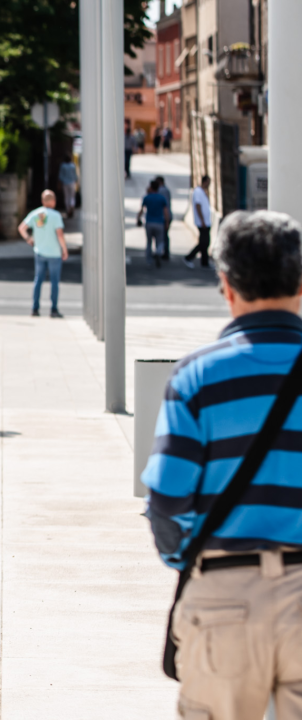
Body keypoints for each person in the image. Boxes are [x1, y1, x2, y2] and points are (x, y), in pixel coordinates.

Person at [142, 211, 302, 720]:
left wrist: (197, 562)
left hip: (225, 596)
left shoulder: (198, 377)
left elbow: (166, 504)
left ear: (225, 284)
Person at [18, 190, 69, 318]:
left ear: (42, 201)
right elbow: (60, 235)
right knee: (54, 282)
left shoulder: (35, 214)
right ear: (53, 201)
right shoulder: (56, 215)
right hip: (54, 253)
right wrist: (64, 249)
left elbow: (21, 228)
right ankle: (54, 309)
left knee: (38, 280)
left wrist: (28, 239)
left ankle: (35, 309)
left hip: (40, 252)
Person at [137, 180, 171, 267]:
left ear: (151, 187)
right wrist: (167, 222)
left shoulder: (147, 197)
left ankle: (149, 261)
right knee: (160, 241)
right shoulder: (161, 198)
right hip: (159, 222)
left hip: (149, 222)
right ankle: (158, 252)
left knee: (149, 242)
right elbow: (166, 212)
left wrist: (138, 218)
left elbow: (142, 210)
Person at [184, 175, 213, 269]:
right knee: (203, 242)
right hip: (202, 222)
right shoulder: (198, 191)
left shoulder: (203, 191)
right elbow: (198, 206)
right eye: (208, 182)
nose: (209, 184)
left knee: (205, 242)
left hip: (206, 221)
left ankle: (205, 262)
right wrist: (202, 220)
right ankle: (188, 257)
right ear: (204, 182)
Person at [156, 175, 173, 260]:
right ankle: (164, 252)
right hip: (166, 216)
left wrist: (166, 220)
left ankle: (164, 253)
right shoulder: (166, 190)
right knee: (164, 235)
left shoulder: (162, 190)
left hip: (164, 216)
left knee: (163, 236)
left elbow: (164, 206)